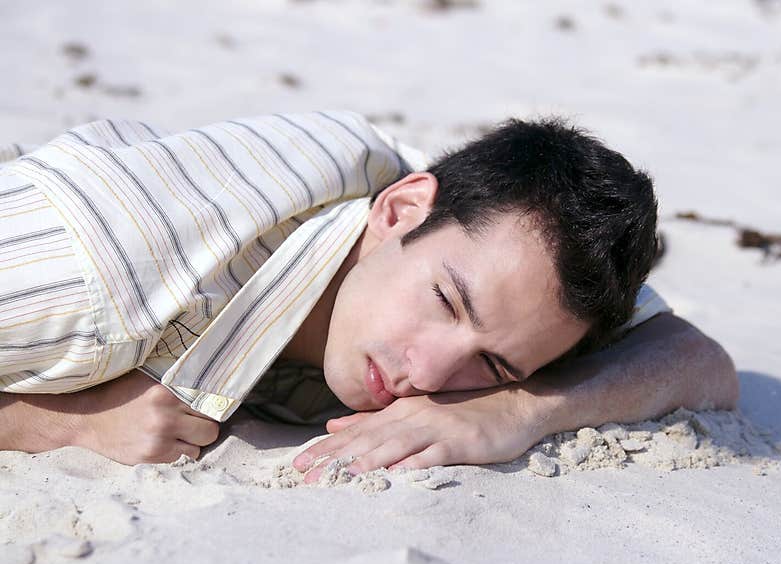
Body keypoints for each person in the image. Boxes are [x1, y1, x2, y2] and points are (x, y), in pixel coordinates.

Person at [0, 110, 738, 480]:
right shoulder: (103, 288)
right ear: (397, 214)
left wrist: (516, 408)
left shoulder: (494, 253)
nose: (432, 375)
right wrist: (52, 423)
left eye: (494, 364)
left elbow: (696, 360)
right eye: (448, 303)